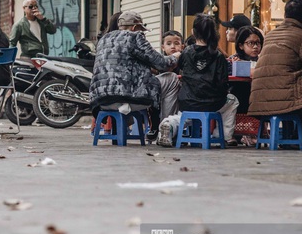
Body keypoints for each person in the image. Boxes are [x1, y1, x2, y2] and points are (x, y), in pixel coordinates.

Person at [90, 11, 178, 141]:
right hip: (127, 98)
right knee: (171, 79)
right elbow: (162, 64)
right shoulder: (135, 37)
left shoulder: (104, 39)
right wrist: (175, 57)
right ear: (134, 27)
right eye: (141, 29)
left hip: (101, 101)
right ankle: (166, 129)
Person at [249, 0, 302, 146]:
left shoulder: (270, 35)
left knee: (292, 87)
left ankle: (291, 137)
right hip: (286, 100)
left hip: (260, 100)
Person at [178, 14, 240, 146]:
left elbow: (180, 69)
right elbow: (222, 83)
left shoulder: (186, 52)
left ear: (193, 32)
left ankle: (173, 126)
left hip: (187, 101)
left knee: (186, 109)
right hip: (213, 102)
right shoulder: (218, 56)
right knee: (233, 100)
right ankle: (222, 136)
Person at [157, 30, 184, 118]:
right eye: (168, 44)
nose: (173, 46)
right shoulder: (159, 63)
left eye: (176, 43)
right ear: (163, 47)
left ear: (182, 46)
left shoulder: (185, 62)